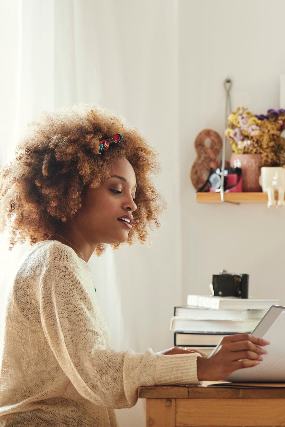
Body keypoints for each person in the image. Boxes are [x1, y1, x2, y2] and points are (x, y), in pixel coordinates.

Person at [0, 108, 268, 425]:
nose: (132, 204)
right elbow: (98, 374)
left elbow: (85, 372)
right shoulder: (56, 261)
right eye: (116, 189)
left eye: (134, 193)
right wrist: (201, 367)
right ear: (71, 189)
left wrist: (166, 363)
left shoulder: (62, 263)